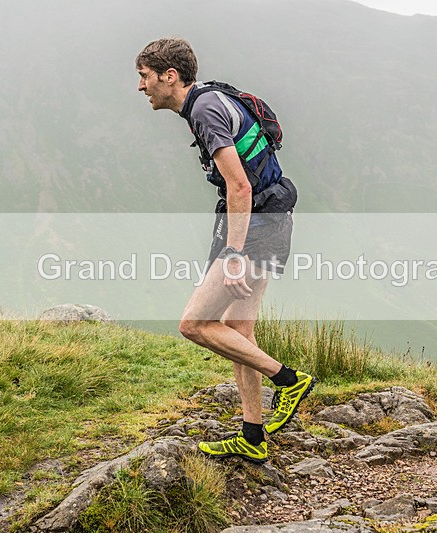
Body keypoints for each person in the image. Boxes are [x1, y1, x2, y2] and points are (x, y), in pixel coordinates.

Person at [135, 38, 315, 464]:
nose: (141, 86)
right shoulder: (209, 98)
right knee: (238, 329)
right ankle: (253, 436)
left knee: (195, 324)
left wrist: (233, 253)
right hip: (272, 216)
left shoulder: (203, 109)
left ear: (169, 76)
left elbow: (239, 185)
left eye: (144, 76)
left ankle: (288, 380)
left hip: (255, 223)